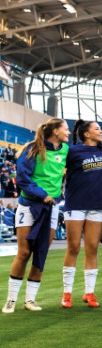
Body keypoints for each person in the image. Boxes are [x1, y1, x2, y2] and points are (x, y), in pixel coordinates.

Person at [2, 119, 69, 313]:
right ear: (55, 131)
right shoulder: (32, 149)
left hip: (52, 207)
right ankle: (11, 300)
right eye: (65, 128)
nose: (68, 131)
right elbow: (22, 178)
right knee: (24, 252)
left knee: (41, 252)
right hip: (29, 205)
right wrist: (43, 195)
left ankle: (30, 300)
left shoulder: (65, 150)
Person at [61, 119, 102, 308]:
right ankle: (67, 293)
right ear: (86, 134)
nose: (101, 131)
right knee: (73, 247)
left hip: (96, 206)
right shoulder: (72, 152)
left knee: (92, 248)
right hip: (75, 204)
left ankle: (89, 293)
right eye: (97, 129)